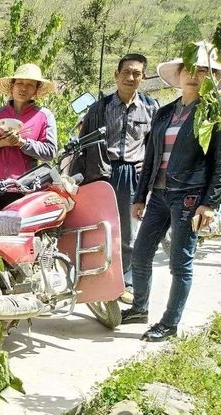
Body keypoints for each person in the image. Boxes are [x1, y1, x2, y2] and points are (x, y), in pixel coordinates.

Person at [120, 41, 221, 342]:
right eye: (188, 69)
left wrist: (210, 203)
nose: (193, 75)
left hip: (189, 196)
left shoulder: (214, 113)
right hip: (159, 194)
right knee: (140, 255)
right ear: (178, 74)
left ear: (213, 77)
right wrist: (140, 195)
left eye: (202, 70)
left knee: (180, 262)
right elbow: (151, 157)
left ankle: (170, 323)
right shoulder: (165, 112)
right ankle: (139, 307)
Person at [70, 53, 159, 304]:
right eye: (126, 72)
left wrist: (148, 165)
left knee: (129, 233)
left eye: (136, 73)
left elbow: (156, 144)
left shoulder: (151, 108)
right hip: (102, 173)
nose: (130, 77)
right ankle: (98, 280)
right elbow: (83, 143)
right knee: (100, 228)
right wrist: (79, 179)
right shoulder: (100, 107)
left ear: (143, 77)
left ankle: (126, 282)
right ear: (116, 75)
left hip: (132, 174)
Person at [0, 63, 57, 184]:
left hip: (23, 188)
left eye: (30, 85)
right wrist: (0, 143)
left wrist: (22, 143)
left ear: (36, 90)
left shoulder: (44, 116)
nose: (23, 88)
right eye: (19, 83)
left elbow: (50, 152)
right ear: (12, 86)